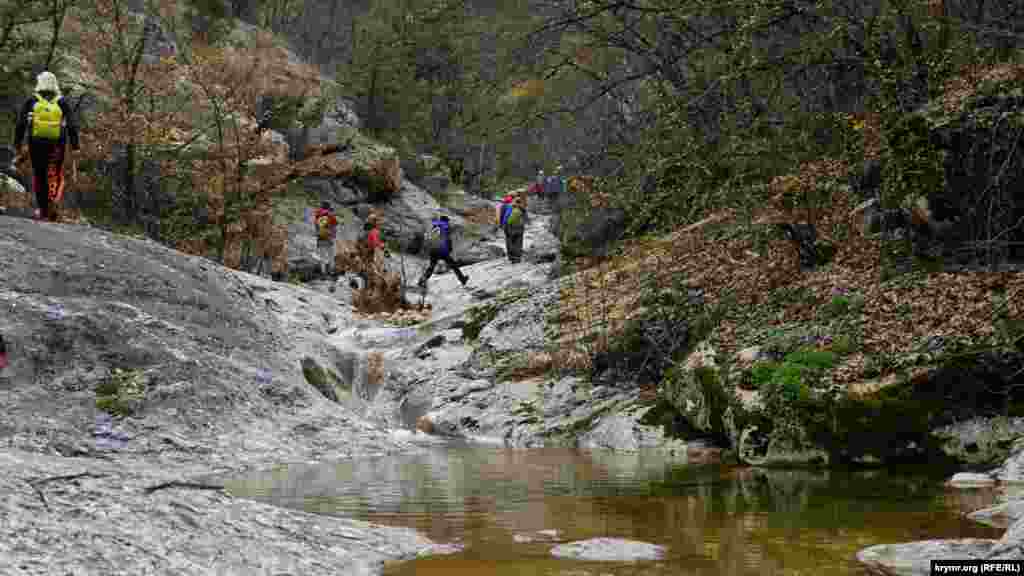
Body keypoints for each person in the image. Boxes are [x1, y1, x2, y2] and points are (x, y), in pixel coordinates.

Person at [13, 71, 79, 222]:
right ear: (55, 84)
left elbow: (21, 124)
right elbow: (72, 125)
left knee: (39, 175)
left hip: (35, 143)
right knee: (55, 173)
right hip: (57, 144)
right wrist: (75, 146)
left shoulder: (32, 100)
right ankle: (53, 204)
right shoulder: (61, 102)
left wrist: (17, 144)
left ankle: (43, 211)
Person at [418, 214, 469, 289]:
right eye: (447, 221)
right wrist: (449, 248)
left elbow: (427, 237)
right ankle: (462, 279)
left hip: (433, 249)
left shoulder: (434, 226)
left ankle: (422, 280)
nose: (448, 223)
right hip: (442, 250)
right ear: (445, 221)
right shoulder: (445, 226)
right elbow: (447, 238)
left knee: (431, 267)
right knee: (453, 265)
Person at [312, 201, 338, 278]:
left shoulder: (318, 215)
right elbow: (335, 226)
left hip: (320, 238)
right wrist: (333, 235)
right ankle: (331, 272)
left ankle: (323, 273)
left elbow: (316, 226)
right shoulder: (331, 215)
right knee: (331, 256)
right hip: (329, 239)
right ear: (328, 207)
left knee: (322, 257)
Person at [504, 193, 529, 263]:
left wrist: (506, 226)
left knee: (512, 243)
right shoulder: (524, 210)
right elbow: (527, 220)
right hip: (521, 229)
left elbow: (509, 220)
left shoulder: (515, 210)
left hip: (513, 228)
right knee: (519, 244)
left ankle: (513, 258)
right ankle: (518, 258)